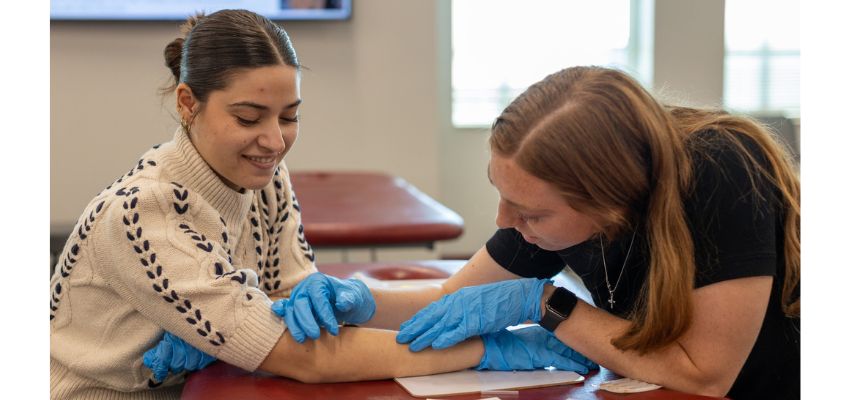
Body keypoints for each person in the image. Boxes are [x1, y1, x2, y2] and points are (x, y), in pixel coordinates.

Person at [49, 9, 595, 399]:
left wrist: (284, 320)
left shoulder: (265, 177)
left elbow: (295, 307)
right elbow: (297, 356)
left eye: (289, 116)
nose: (273, 140)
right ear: (188, 103)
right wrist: (485, 351)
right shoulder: (145, 213)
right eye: (247, 118)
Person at [162, 65, 798, 399]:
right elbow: (453, 301)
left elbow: (706, 374)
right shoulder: (550, 196)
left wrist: (548, 307)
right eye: (501, 194)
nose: (504, 224)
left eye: (529, 214)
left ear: (611, 200)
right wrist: (326, 302)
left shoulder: (719, 171)